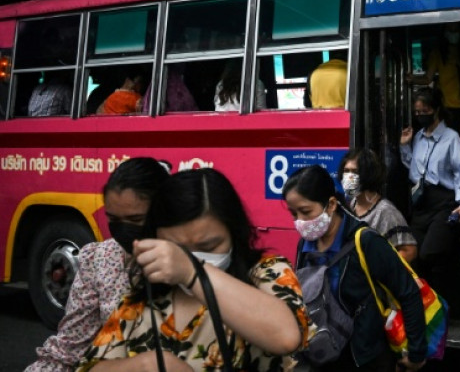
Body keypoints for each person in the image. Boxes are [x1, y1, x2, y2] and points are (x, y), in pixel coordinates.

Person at [77, 168, 310, 371]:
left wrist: (192, 272)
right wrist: (141, 366)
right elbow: (91, 365)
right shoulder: (145, 294)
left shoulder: (267, 272)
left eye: (208, 246)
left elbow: (286, 336)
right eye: (176, 248)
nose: (184, 258)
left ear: (234, 233)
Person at [27, 157, 170, 372]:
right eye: (113, 219)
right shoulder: (100, 260)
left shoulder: (188, 267)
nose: (124, 229)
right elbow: (68, 349)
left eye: (136, 220)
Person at [282, 164, 427, 372]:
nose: (300, 222)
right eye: (293, 214)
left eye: (305, 212)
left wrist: (416, 353)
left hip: (362, 358)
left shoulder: (366, 241)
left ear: (331, 204)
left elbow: (409, 292)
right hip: (322, 354)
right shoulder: (305, 244)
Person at [399, 88, 460, 299]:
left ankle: (448, 291)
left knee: (430, 252)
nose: (421, 115)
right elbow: (414, 170)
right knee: (413, 255)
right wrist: (405, 146)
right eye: (418, 112)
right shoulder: (418, 137)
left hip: (444, 201)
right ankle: (428, 303)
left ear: (437, 109)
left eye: (425, 111)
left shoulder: (451, 138)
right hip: (422, 201)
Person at [339, 147, 418, 262]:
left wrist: (381, 270)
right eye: (346, 171)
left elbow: (409, 250)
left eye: (355, 172)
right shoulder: (351, 205)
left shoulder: (385, 211)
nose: (349, 177)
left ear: (368, 175)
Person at [408, 23, 460, 133]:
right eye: (450, 29)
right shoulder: (438, 53)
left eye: (455, 29)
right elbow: (428, 78)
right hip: (448, 107)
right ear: (444, 32)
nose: (453, 32)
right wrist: (412, 79)